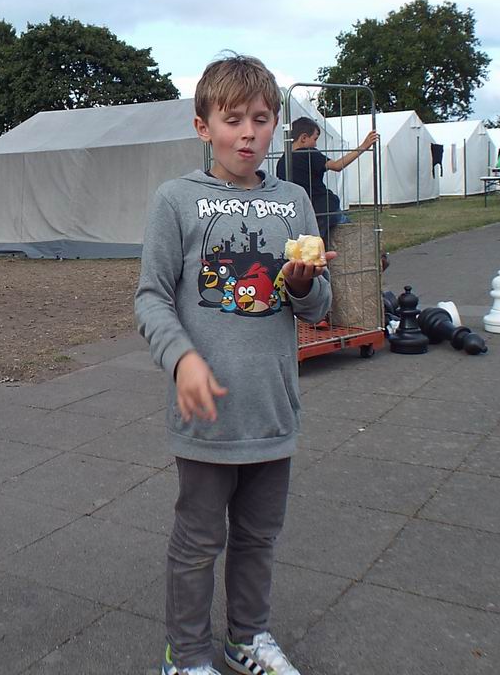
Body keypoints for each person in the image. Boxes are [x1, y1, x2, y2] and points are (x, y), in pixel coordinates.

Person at [135, 54, 332, 675]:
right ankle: (187, 654)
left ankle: (246, 638)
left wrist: (302, 284)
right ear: (204, 127)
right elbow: (151, 298)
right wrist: (182, 360)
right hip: (208, 414)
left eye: (261, 119)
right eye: (233, 119)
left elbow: (319, 305)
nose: (248, 133)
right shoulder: (176, 200)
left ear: (276, 125)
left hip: (273, 410)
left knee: (258, 537)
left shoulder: (294, 200)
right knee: (198, 543)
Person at [275, 117, 377, 249]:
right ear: (304, 138)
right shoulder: (309, 153)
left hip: (298, 212)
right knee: (351, 234)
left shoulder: (282, 162)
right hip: (324, 208)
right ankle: (372, 252)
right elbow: (337, 166)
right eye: (315, 139)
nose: (315, 144)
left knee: (310, 245)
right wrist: (363, 147)